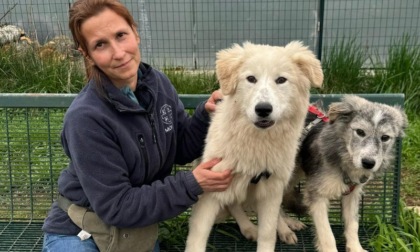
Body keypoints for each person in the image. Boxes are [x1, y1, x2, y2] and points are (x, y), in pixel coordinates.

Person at [41, 0, 233, 251]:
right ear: (87, 54)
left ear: (135, 32)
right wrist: (192, 184)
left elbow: (180, 146)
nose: (118, 53)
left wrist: (207, 115)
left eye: (121, 35)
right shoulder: (86, 119)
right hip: (79, 231)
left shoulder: (158, 85)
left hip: (134, 231)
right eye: (100, 44)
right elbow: (117, 205)